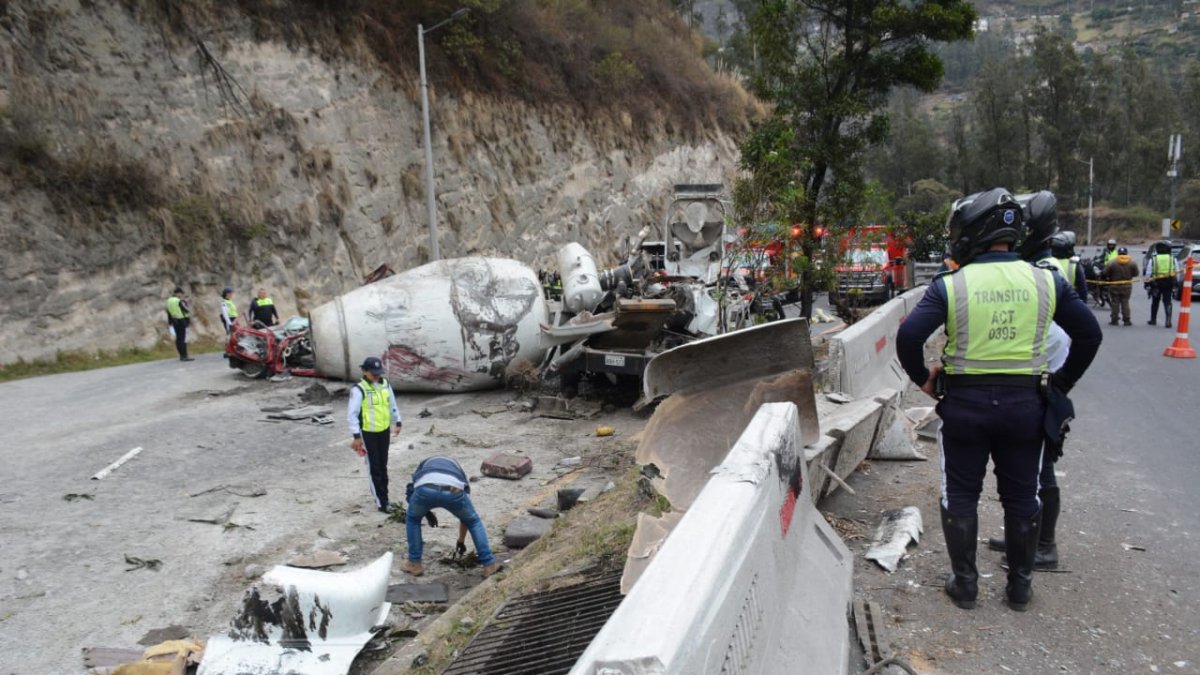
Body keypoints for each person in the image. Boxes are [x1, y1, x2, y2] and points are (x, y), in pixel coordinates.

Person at [897, 188, 1101, 612]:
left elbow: (909, 336)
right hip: (1026, 407)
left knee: (961, 493)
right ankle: (1020, 588)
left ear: (974, 232)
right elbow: (1089, 334)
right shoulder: (1046, 280)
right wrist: (1060, 383)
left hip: (965, 407)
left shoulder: (952, 284)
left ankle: (966, 584)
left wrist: (924, 380)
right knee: (1023, 495)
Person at [985, 190, 1071, 570]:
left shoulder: (1047, 271)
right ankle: (1024, 536)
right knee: (1026, 470)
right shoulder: (1035, 263)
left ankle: (1044, 546)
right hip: (1038, 370)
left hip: (1042, 372)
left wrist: (1058, 384)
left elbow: (1073, 332)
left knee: (1040, 466)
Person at [401, 455, 502, 578]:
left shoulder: (423, 466)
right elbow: (466, 519)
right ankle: (489, 565)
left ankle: (414, 563)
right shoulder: (458, 472)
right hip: (453, 489)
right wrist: (461, 540)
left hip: (425, 488)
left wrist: (424, 511)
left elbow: (411, 493)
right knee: (474, 521)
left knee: (413, 520)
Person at [347, 356, 402, 513]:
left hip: (383, 431)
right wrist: (356, 437)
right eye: (373, 373)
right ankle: (382, 503)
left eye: (378, 373)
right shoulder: (359, 389)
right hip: (368, 433)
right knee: (375, 468)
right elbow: (352, 414)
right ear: (364, 371)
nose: (377, 376)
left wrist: (397, 422)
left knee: (383, 466)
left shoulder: (385, 385)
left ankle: (385, 497)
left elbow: (392, 405)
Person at [1103, 247, 1139, 326]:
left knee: (1115, 302)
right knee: (1125, 302)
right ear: (1126, 253)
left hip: (1114, 285)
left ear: (1118, 253)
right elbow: (1136, 273)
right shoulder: (1132, 262)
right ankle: (1126, 320)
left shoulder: (1112, 262)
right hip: (1127, 286)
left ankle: (1114, 319)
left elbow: (1105, 272)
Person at [1145, 242, 1178, 327]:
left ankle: (1153, 320)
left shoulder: (1154, 258)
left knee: (1155, 301)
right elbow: (1177, 271)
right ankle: (1168, 321)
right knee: (1167, 301)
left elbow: (1148, 272)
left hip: (1156, 283)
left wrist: (1147, 283)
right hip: (1168, 282)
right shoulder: (1172, 258)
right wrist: (1175, 283)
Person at [165, 286, 194, 362]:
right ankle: (185, 355)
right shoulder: (178, 300)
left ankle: (181, 355)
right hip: (181, 320)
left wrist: (170, 323)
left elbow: (168, 312)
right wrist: (186, 302)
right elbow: (186, 310)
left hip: (174, 321)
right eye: (181, 293)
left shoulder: (168, 301)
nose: (181, 295)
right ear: (178, 293)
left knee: (178, 338)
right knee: (183, 338)